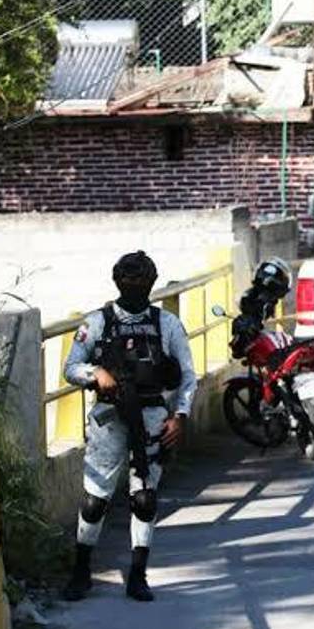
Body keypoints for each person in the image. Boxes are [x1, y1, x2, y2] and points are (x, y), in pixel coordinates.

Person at [61, 251, 197, 602]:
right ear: (117, 282)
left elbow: (186, 377)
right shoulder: (97, 323)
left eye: (142, 283)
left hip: (152, 417)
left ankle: (138, 575)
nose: (135, 289)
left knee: (145, 498)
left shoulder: (166, 325)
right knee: (95, 500)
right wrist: (96, 373)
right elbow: (71, 367)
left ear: (151, 284)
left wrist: (179, 416)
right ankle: (80, 572)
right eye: (128, 282)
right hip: (109, 418)